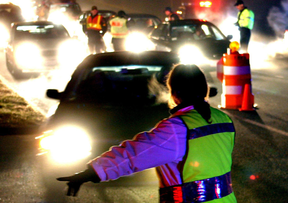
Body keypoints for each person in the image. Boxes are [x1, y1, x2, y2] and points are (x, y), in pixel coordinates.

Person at [57, 64, 237, 203]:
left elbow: (133, 155)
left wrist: (92, 172)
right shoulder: (224, 120)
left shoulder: (177, 128)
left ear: (174, 94)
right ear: (204, 89)